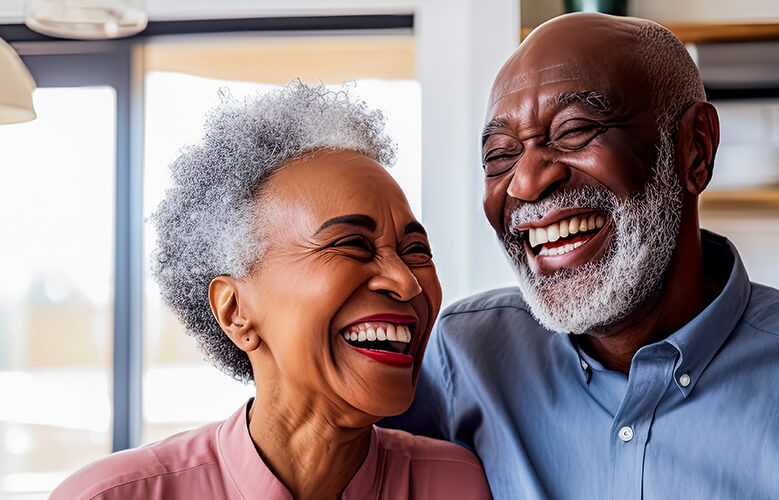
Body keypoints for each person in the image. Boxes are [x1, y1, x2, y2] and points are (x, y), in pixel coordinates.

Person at [382, 13, 779, 499]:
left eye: (576, 129)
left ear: (695, 150)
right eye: (500, 156)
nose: (527, 182)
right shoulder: (458, 360)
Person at [51, 82, 491, 500]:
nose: (405, 281)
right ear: (235, 309)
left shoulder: (461, 483)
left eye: (414, 249)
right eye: (351, 244)